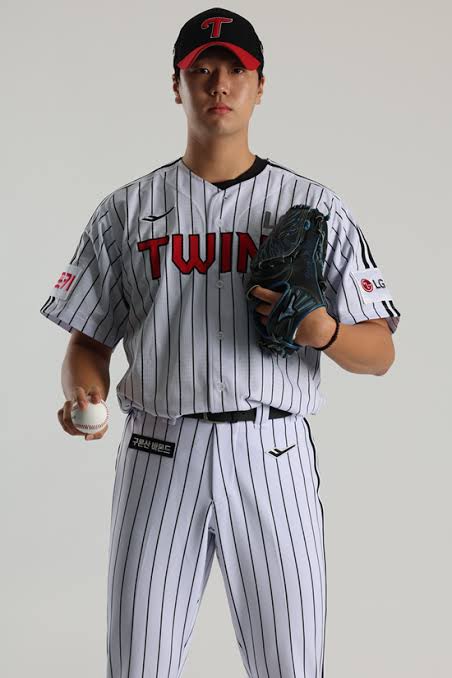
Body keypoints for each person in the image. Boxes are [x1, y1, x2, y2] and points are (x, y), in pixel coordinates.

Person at [39, 7, 401, 678]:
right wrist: (83, 390)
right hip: (158, 451)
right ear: (176, 86)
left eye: (236, 69)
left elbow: (380, 352)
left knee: (290, 667)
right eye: (201, 70)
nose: (219, 83)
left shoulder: (314, 205)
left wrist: (325, 331)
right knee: (137, 666)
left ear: (261, 86)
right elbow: (88, 339)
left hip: (273, 451)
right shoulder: (125, 210)